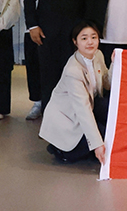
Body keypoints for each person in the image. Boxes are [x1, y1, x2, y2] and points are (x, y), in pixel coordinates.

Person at [40, 20, 111, 164]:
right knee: (106, 140)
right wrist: (97, 144)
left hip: (89, 106)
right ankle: (59, 149)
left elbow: (107, 84)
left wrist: (115, 63)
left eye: (94, 37)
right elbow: (82, 110)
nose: (90, 42)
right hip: (68, 119)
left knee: (109, 115)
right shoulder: (73, 70)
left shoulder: (98, 55)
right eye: (84, 38)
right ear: (75, 42)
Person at [19, 0, 54, 120]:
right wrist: (33, 24)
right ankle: (37, 102)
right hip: (32, 28)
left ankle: (52, 104)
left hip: (52, 28)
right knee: (34, 68)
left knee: (52, 68)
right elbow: (26, 0)